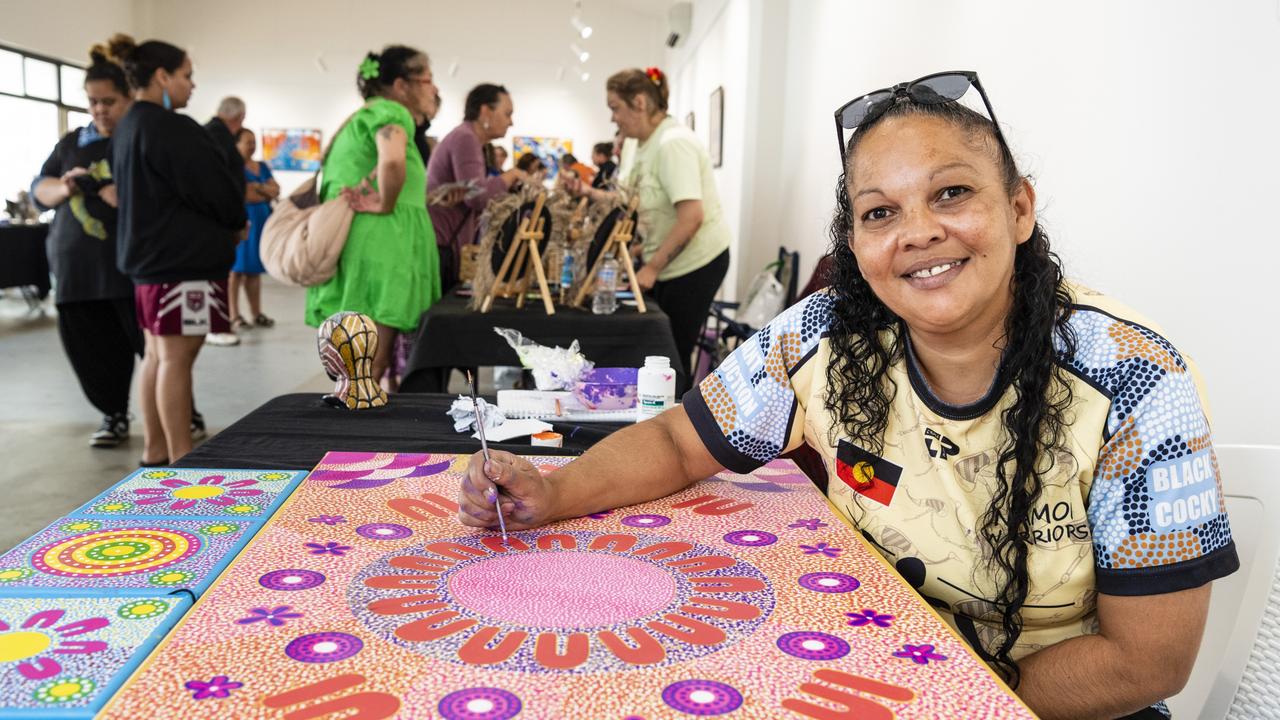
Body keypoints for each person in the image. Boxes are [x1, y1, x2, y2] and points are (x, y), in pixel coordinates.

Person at [460, 71, 1238, 720]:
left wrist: (943, 695)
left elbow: (1146, 663)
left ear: (1020, 208)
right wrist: (550, 494)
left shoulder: (1137, 379)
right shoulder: (823, 336)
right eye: (880, 213)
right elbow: (677, 440)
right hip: (867, 666)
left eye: (952, 193)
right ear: (857, 244)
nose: (919, 232)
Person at [111, 35, 245, 466]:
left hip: (149, 265)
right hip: (181, 265)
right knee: (176, 359)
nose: (192, 86)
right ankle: (182, 459)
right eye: (186, 76)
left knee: (155, 355)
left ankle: (155, 451)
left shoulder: (130, 124)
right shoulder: (170, 127)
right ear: (162, 76)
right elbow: (213, 191)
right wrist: (233, 218)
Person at [565, 67, 731, 393]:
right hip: (666, 257)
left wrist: (653, 267)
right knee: (657, 348)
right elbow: (630, 199)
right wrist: (588, 192)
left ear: (639, 102)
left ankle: (677, 425)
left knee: (671, 353)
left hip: (697, 262)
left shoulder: (673, 144)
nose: (613, 118)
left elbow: (691, 217)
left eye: (615, 107)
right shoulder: (636, 144)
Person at [304, 45, 443, 393]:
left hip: (377, 243)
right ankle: (352, 439)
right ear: (401, 85)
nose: (433, 88)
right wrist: (385, 202)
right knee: (367, 364)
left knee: (359, 362)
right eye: (427, 79)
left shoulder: (369, 114)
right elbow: (393, 161)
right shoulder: (390, 112)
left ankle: (353, 430)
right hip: (383, 244)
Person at [31, 41, 140, 448]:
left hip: (128, 266)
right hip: (76, 268)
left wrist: (118, 191)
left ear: (129, 96)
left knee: (155, 348)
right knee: (91, 350)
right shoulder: (71, 142)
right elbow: (40, 190)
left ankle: (180, 407)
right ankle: (113, 413)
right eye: (93, 102)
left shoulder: (138, 138)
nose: (99, 110)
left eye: (109, 101)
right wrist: (66, 183)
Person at [427, 83, 527, 294]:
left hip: (445, 243)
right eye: (507, 114)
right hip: (442, 244)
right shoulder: (466, 138)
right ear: (485, 111)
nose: (511, 122)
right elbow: (477, 196)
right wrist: (512, 175)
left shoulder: (467, 138)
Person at [203, 96, 248, 347]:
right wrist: (237, 220)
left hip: (217, 219)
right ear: (239, 117)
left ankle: (218, 323)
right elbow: (224, 184)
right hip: (217, 222)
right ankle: (217, 325)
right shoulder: (217, 137)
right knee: (220, 273)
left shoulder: (210, 134)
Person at [228, 128, 279, 330]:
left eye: (254, 142)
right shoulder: (233, 168)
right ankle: (234, 315)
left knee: (253, 272)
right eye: (247, 142)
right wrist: (262, 190)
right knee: (236, 271)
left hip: (261, 224)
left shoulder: (262, 166)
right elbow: (246, 195)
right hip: (242, 222)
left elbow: (275, 190)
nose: (252, 146)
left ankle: (256, 313)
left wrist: (257, 189)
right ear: (236, 144)